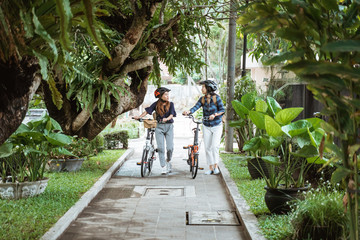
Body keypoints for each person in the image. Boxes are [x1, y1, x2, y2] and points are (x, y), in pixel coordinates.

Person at [183, 80, 225, 175]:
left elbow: (222, 110)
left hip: (217, 125)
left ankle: (216, 166)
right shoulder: (202, 99)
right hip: (206, 125)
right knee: (208, 148)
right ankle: (210, 168)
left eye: (203, 87)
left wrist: (215, 114)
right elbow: (195, 107)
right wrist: (188, 112)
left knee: (215, 146)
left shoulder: (216, 98)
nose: (202, 88)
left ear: (208, 88)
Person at [134, 87, 176, 175]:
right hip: (159, 127)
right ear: (160, 96)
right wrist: (139, 117)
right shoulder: (156, 104)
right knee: (160, 148)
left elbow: (172, 114)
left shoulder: (171, 104)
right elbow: (147, 111)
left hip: (169, 127)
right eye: (165, 95)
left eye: (168, 94)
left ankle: (168, 161)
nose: (167, 96)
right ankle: (163, 166)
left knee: (170, 148)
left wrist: (166, 119)